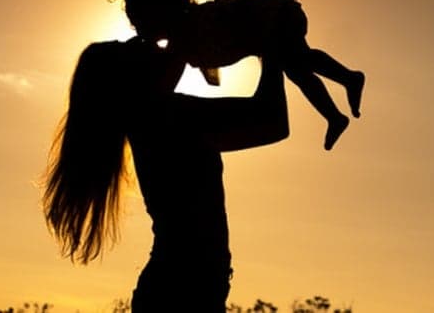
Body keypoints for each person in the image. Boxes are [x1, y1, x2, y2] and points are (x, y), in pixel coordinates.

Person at [43, 36, 289, 312]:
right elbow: (272, 121)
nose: (145, 44)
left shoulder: (152, 119)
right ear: (134, 76)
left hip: (176, 285)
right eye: (136, 51)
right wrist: (271, 45)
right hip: (186, 290)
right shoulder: (169, 116)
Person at [113, 0, 365, 151]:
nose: (138, 31)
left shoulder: (184, 33)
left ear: (158, 13)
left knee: (298, 64)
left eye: (139, 22)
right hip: (270, 17)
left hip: (272, 16)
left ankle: (345, 89)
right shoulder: (184, 33)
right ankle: (340, 101)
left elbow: (164, 86)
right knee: (298, 66)